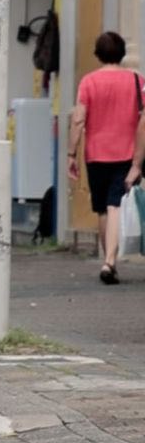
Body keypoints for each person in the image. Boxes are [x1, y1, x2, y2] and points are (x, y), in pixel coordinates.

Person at [76, 34, 142, 286]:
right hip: (126, 153)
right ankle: (109, 261)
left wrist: (72, 152)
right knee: (115, 204)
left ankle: (108, 259)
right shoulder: (137, 81)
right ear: (123, 53)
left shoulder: (88, 82)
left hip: (96, 154)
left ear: (97, 54)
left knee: (103, 208)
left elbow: (79, 118)